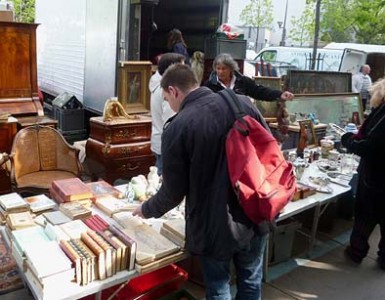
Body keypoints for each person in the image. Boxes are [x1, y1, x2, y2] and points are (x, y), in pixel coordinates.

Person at [134, 64, 271, 299]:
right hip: (255, 211)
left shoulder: (178, 127)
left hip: (214, 224)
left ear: (174, 91)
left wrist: (144, 210)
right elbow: (269, 150)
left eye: (166, 99)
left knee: (219, 287)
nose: (168, 105)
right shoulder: (242, 102)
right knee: (251, 281)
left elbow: (172, 193)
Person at [341, 78, 385, 270]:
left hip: (377, 178)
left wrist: (348, 141)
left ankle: (356, 252)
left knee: (366, 215)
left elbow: (371, 146)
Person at [149, 53, 185, 175]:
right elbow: (171, 121)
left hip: (159, 141)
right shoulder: (166, 90)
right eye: (181, 68)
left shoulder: (157, 84)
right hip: (167, 145)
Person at [203, 53, 294, 102]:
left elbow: (259, 91)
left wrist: (279, 94)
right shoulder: (209, 85)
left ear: (231, 69)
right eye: (218, 69)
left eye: (224, 69)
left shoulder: (242, 81)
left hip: (238, 124)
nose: (220, 72)